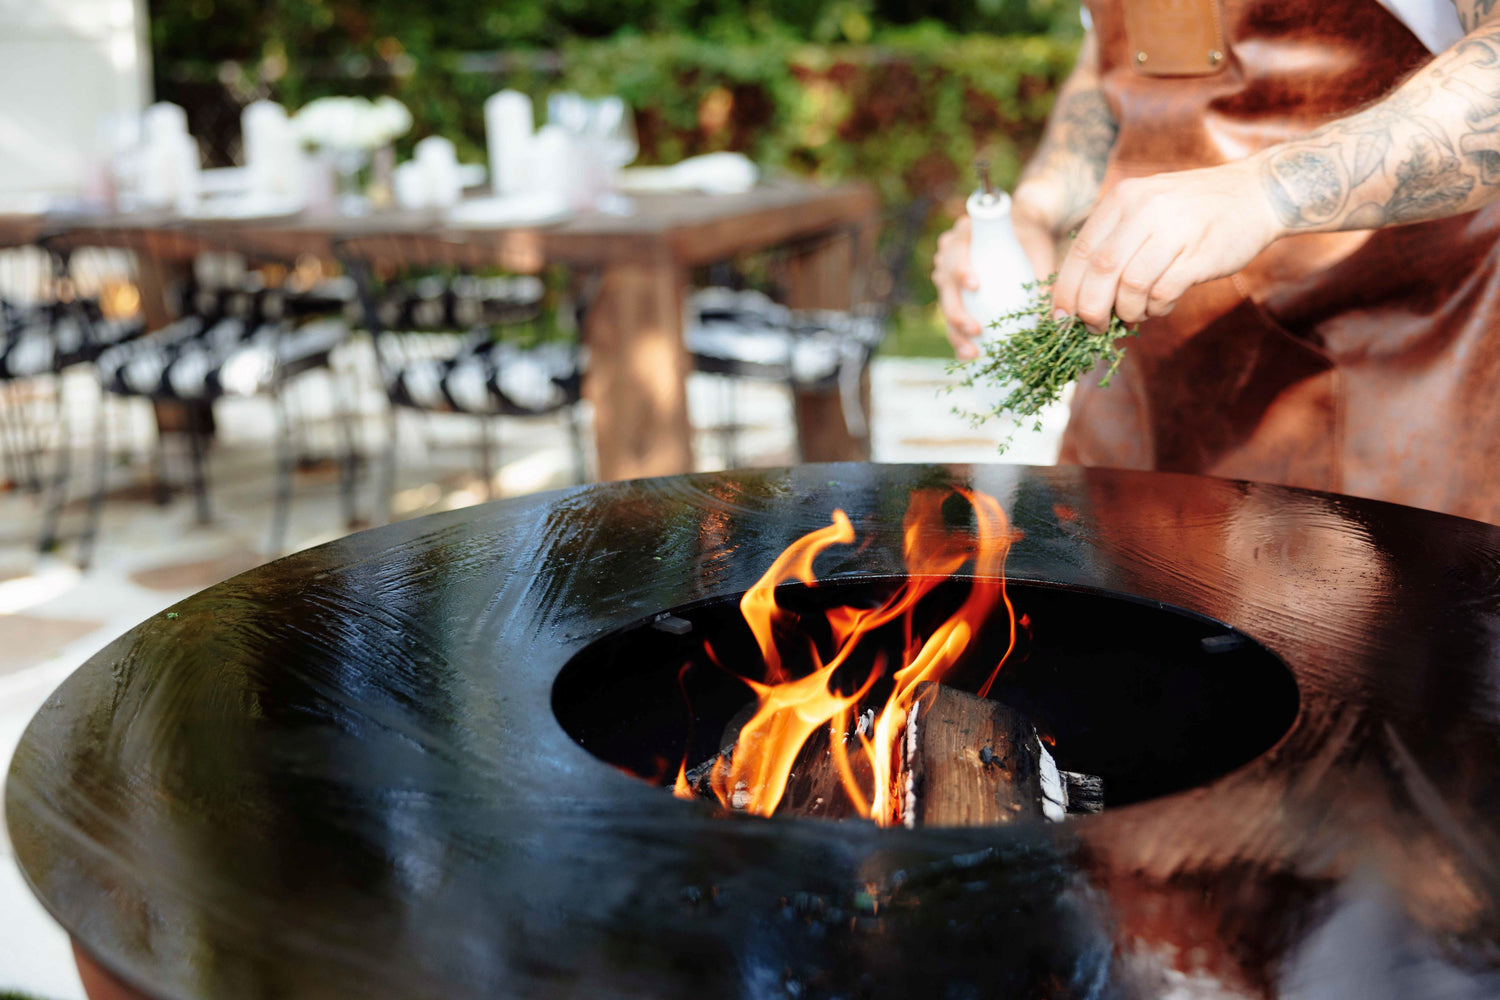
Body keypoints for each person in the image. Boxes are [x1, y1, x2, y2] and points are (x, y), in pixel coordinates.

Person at [933, 1, 1500, 523]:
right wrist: (1035, 211)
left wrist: (1262, 190)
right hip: (1135, 412)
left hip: (1379, 405)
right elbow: (1109, 71)